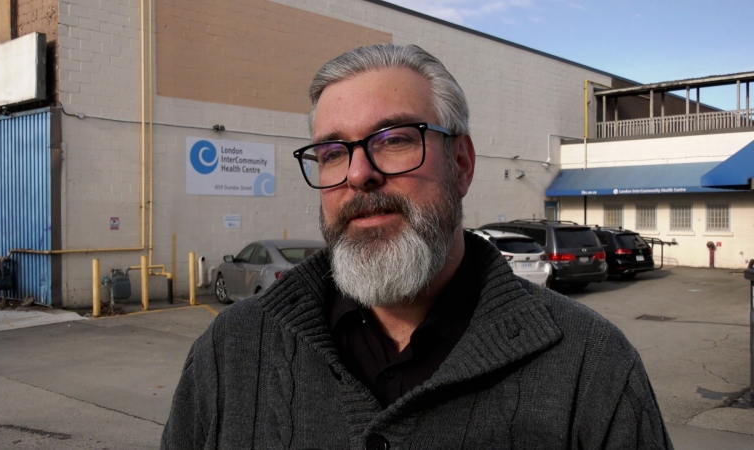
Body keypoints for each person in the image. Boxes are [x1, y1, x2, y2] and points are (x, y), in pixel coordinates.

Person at [161, 44, 672, 449]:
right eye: (333, 152)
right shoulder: (231, 351)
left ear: (462, 164)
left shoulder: (591, 366)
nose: (360, 173)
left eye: (395, 139)